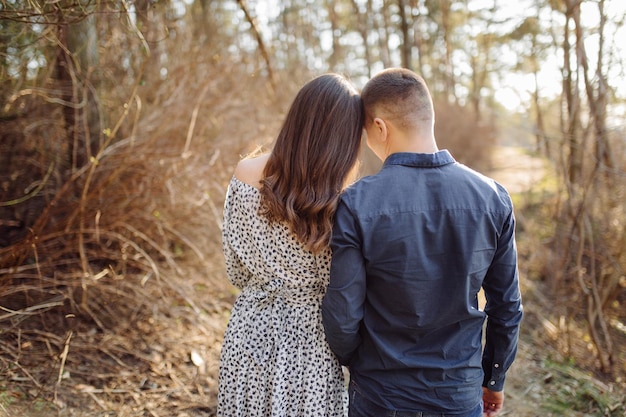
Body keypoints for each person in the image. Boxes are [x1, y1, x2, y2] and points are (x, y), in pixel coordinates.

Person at [321, 68, 523, 417]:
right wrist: (494, 379)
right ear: (428, 117)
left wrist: (363, 365)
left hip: (380, 397)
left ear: (380, 127)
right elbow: (506, 308)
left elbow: (342, 316)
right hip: (458, 395)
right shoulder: (493, 197)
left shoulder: (356, 203)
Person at [217, 73, 364, 417]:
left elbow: (235, 272)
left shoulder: (243, 175)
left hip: (249, 333)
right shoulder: (343, 200)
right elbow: (345, 290)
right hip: (312, 344)